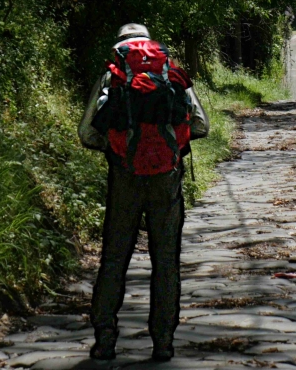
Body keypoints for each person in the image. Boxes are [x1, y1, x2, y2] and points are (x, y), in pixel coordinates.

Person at [78, 23, 209, 362]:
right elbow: (201, 125)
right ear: (151, 44)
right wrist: (169, 144)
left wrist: (118, 146)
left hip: (124, 175)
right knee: (165, 262)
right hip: (166, 177)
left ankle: (105, 340)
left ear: (121, 45)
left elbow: (86, 134)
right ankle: (163, 342)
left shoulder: (113, 77)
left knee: (113, 259)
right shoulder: (171, 73)